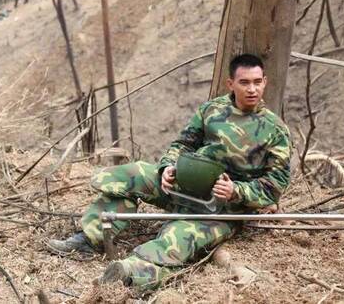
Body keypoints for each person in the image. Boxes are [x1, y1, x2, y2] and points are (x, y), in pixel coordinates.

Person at [48, 53, 291, 290]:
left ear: (265, 82)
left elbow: (275, 185)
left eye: (257, 82)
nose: (252, 89)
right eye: (245, 82)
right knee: (131, 175)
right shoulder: (211, 111)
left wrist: (236, 190)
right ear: (231, 83)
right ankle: (90, 238)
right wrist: (168, 167)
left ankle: (131, 273)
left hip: (221, 209)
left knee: (175, 238)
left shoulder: (274, 130)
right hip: (183, 185)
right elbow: (182, 144)